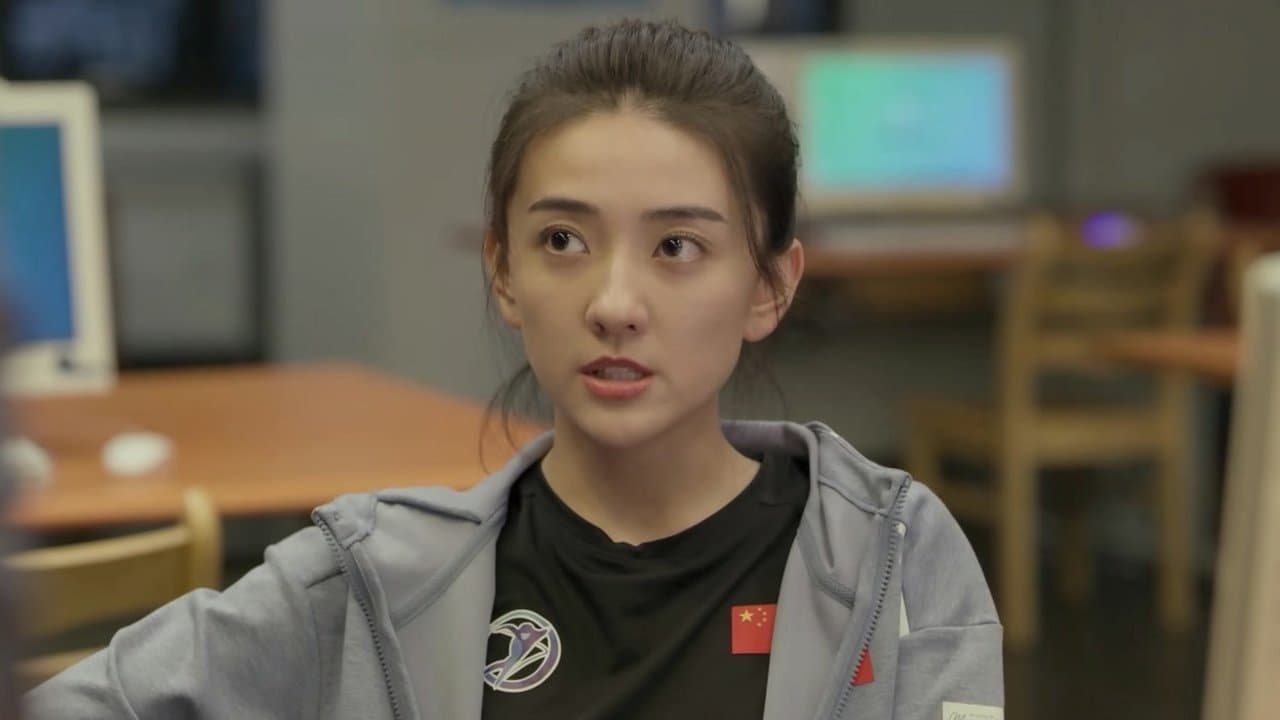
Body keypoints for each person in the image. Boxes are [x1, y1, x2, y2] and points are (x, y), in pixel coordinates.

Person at [25, 18, 1002, 719]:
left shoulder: (890, 556)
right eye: (563, 241)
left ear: (770, 286)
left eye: (676, 248)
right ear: (502, 271)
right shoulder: (376, 575)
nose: (613, 302)